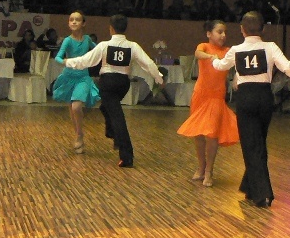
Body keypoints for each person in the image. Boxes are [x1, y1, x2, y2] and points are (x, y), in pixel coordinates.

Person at [211, 11, 290, 207]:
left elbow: (220, 66)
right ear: (263, 29)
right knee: (258, 143)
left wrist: (213, 59)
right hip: (265, 98)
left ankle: (263, 194)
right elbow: (287, 66)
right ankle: (250, 186)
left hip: (246, 98)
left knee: (251, 145)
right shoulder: (270, 47)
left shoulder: (236, 50)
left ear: (242, 30)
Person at [63, 13, 164, 168]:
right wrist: (159, 78)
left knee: (117, 117)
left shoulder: (104, 45)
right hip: (123, 84)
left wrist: (68, 62)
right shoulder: (133, 46)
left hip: (108, 83)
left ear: (111, 28)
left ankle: (126, 156)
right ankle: (112, 133)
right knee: (106, 107)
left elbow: (86, 61)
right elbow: (148, 63)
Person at [177, 20, 240, 187]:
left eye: (225, 32)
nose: (223, 35)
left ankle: (209, 171)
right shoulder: (203, 46)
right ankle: (201, 167)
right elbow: (197, 54)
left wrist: (237, 77)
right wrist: (211, 57)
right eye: (219, 32)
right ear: (209, 34)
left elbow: (238, 65)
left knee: (212, 135)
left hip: (216, 97)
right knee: (198, 134)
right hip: (200, 95)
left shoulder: (228, 51)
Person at [52, 11, 101, 153]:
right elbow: (58, 57)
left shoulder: (87, 40)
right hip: (68, 77)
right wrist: (66, 61)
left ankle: (80, 135)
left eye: (77, 20)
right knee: (72, 108)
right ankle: (78, 135)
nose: (74, 22)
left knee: (76, 107)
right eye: (71, 20)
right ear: (68, 23)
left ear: (83, 23)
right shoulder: (67, 40)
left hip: (83, 77)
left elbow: (99, 50)